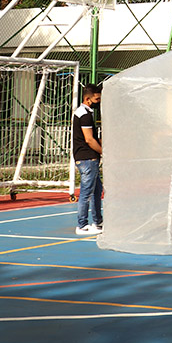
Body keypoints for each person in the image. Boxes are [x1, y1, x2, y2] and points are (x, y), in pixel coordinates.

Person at [72, 84, 104, 236]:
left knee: (97, 190)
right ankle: (82, 225)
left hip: (90, 158)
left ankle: (98, 222)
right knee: (86, 192)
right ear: (87, 98)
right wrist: (103, 152)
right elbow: (89, 139)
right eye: (96, 99)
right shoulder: (84, 114)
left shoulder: (86, 113)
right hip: (87, 158)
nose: (98, 101)